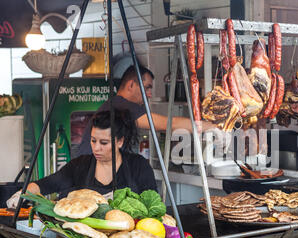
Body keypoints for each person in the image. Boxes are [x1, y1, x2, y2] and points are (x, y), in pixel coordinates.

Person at [7, 110, 157, 208]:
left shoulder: (138, 166)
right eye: (93, 141)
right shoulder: (80, 165)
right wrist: (22, 193)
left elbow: (152, 205)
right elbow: (46, 184)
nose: (96, 148)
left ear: (120, 141)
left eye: (103, 143)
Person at [76, 65, 213, 156]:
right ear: (131, 85)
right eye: (147, 87)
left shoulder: (114, 103)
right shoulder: (124, 106)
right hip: (91, 173)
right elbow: (170, 124)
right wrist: (213, 126)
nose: (149, 94)